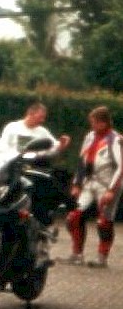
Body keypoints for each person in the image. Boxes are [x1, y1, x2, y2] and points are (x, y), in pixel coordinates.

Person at [63, 106, 123, 268]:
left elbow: (121, 166)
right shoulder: (90, 136)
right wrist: (77, 184)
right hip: (89, 182)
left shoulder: (115, 139)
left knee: (104, 222)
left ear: (103, 123)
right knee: (73, 216)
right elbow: (82, 161)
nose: (92, 125)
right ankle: (77, 255)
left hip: (107, 184)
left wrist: (111, 190)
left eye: (94, 122)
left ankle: (102, 258)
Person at [0, 102, 71, 155]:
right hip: (12, 164)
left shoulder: (43, 131)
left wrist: (62, 144)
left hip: (33, 165)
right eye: (40, 117)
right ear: (30, 113)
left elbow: (54, 147)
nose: (42, 120)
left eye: (43, 118)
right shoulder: (12, 127)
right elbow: (2, 147)